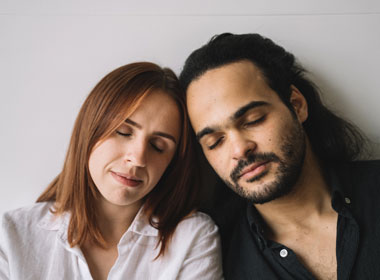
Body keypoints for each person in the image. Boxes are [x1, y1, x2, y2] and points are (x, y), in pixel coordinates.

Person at [179, 33, 380, 280]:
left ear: (297, 104)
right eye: (215, 142)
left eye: (253, 120)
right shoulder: (209, 256)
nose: (239, 149)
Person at [0, 62, 223, 279]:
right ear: (90, 130)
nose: (137, 159)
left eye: (158, 146)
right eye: (123, 132)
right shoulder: (11, 237)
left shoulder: (192, 239)